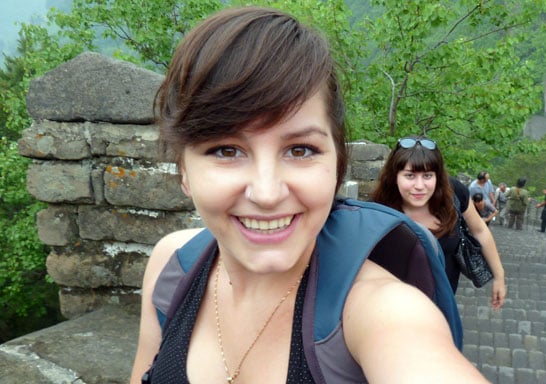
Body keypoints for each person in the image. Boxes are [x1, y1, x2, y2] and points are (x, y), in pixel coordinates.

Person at [130, 7, 488, 384]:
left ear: (337, 164)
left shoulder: (384, 310)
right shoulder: (173, 266)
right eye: (225, 150)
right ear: (183, 171)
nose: (267, 194)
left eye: (300, 150)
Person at [371, 136, 506, 304]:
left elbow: (479, 229)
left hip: (443, 302)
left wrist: (499, 276)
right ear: (395, 176)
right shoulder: (378, 211)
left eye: (427, 175)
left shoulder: (453, 194)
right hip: (395, 307)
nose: (419, 185)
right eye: (410, 175)